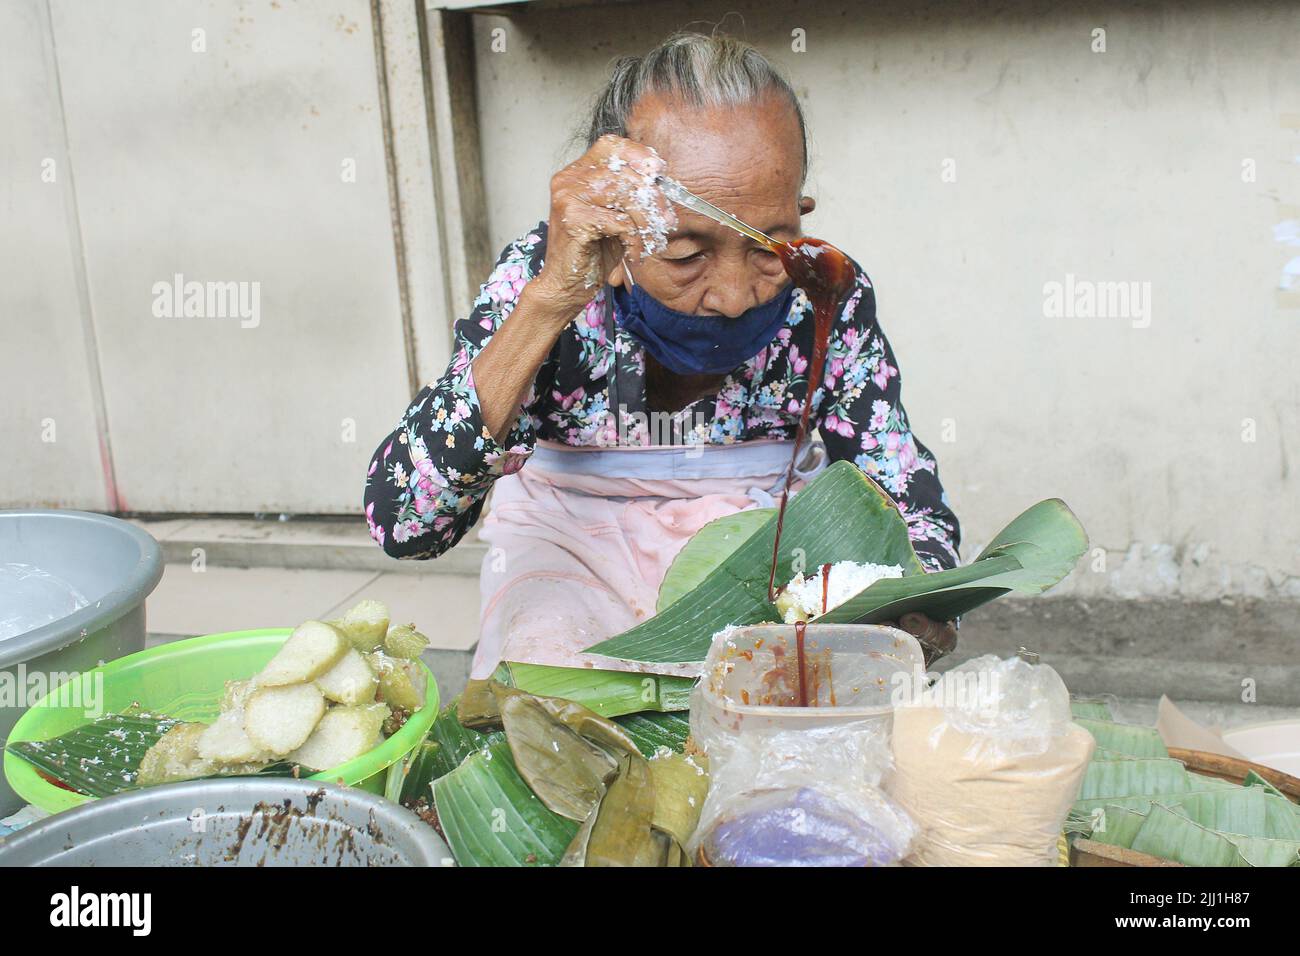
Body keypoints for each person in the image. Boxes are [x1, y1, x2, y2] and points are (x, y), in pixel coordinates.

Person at [364, 32, 961, 679]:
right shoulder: (544, 285)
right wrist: (550, 301)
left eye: (768, 247)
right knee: (550, 689)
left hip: (762, 553)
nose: (733, 298)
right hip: (571, 547)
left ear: (799, 218)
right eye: (685, 255)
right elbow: (407, 523)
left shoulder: (823, 290)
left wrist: (916, 592)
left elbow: (899, 487)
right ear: (618, 241)